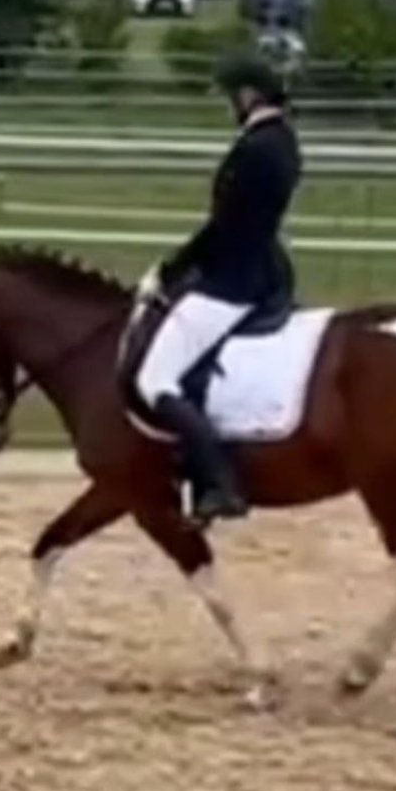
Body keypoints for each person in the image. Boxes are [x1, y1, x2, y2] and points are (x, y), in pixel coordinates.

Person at [131, 53, 302, 525]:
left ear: (248, 96)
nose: (229, 105)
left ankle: (221, 485)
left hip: (235, 279)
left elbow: (225, 226)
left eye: (232, 96)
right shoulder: (280, 140)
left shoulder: (257, 150)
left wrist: (171, 271)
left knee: (154, 381)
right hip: (260, 268)